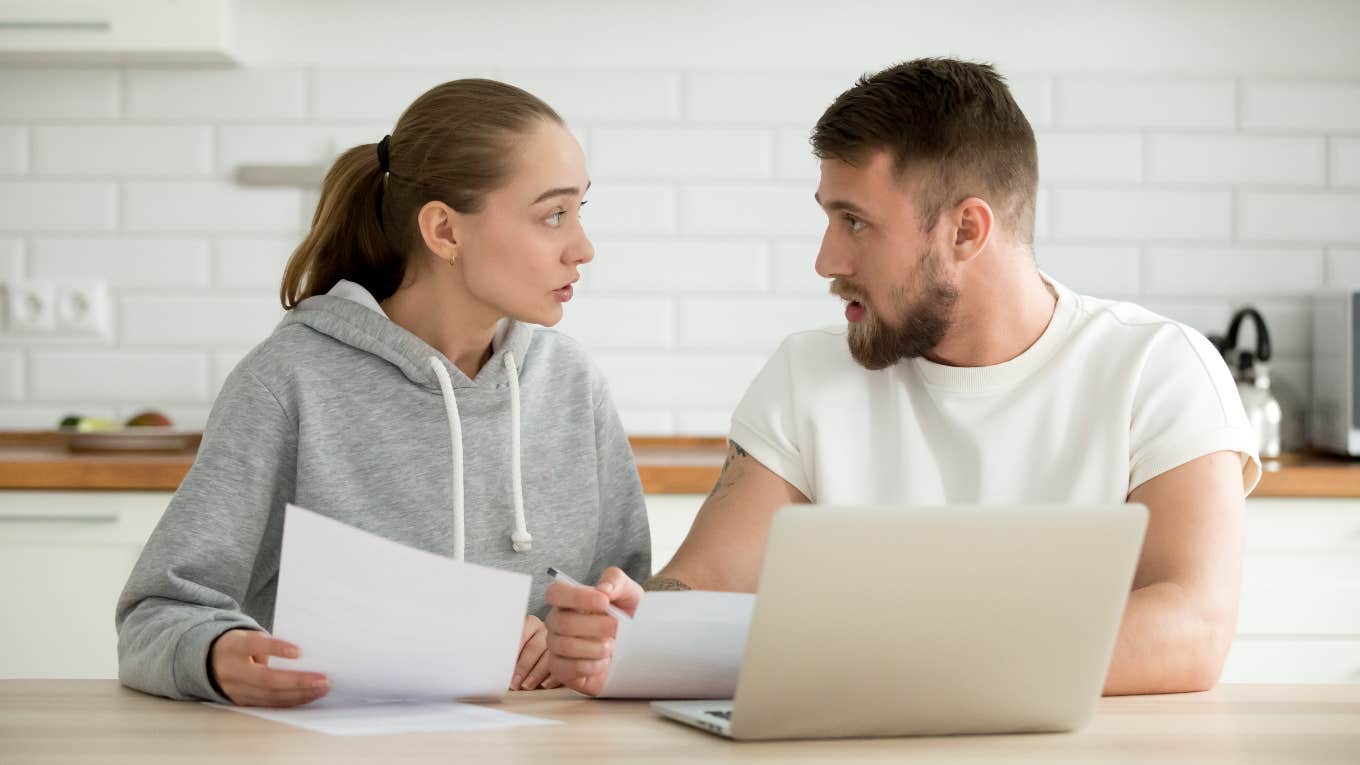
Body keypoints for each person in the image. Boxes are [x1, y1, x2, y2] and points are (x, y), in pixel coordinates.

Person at [544, 58, 1259, 697]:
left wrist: (912, 661)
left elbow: (1190, 629)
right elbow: (708, 582)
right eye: (829, 218)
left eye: (855, 221)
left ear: (966, 231)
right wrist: (629, 622)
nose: (826, 259)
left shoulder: (1157, 369)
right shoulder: (809, 375)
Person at [116, 79, 650, 707]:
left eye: (581, 210)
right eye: (553, 215)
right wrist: (215, 654)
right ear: (444, 231)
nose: (583, 248)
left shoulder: (571, 384)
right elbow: (155, 618)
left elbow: (626, 610)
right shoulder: (288, 383)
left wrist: (590, 635)